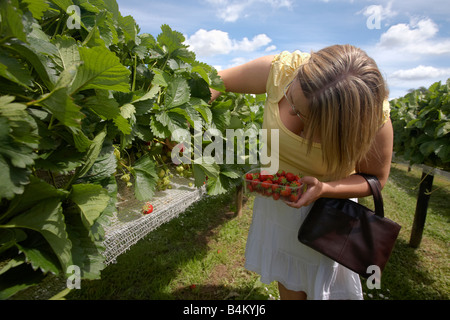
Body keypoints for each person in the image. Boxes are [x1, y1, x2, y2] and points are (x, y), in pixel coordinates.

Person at [210, 45, 394, 300]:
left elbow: (375, 179)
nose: (292, 112)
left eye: (303, 114)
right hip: (278, 203)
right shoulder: (282, 70)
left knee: (323, 285)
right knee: (288, 276)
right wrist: (191, 116)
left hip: (327, 215)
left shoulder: (372, 117)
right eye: (292, 101)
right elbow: (216, 81)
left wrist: (325, 189)